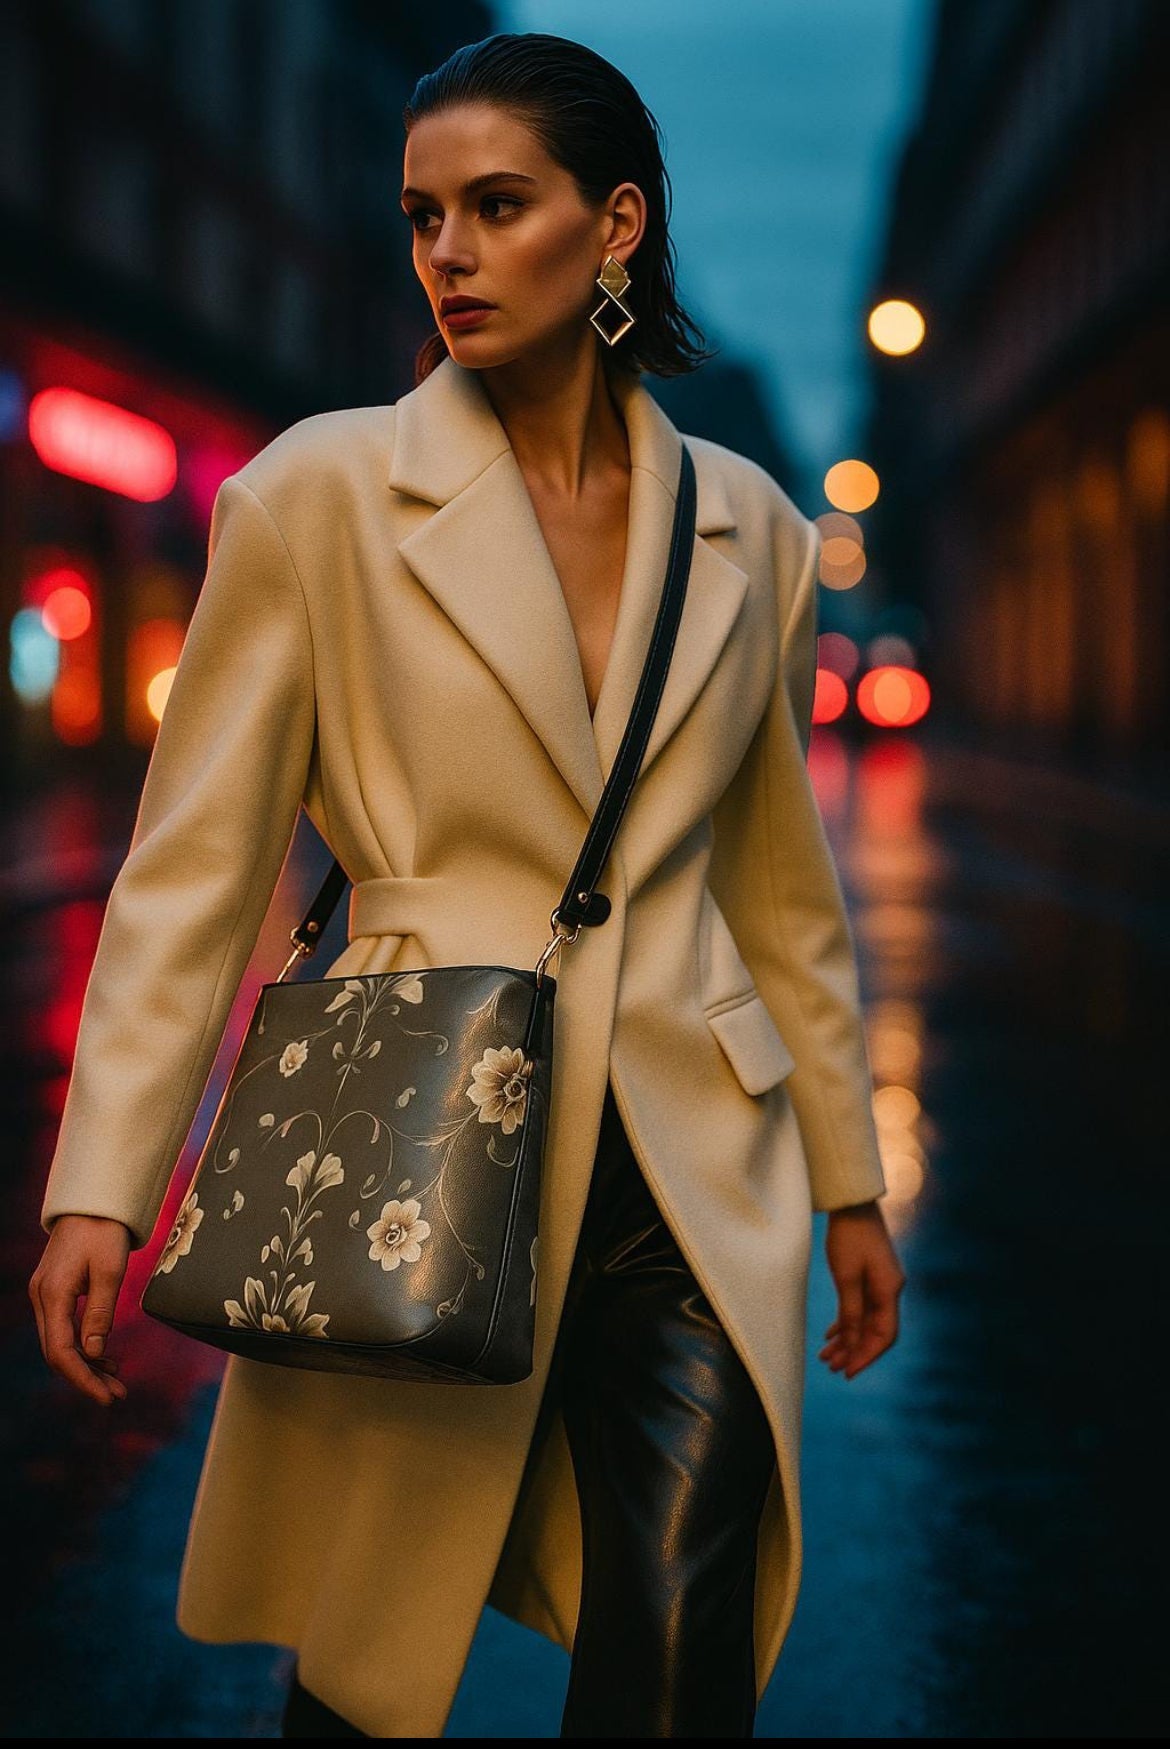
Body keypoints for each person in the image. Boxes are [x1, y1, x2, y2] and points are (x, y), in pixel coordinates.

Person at [29, 31, 905, 1742]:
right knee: (370, 1659)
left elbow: (778, 887)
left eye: (499, 206)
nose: (447, 251)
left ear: (618, 228)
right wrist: (101, 1183)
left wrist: (844, 1179)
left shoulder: (755, 533)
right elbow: (192, 870)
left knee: (680, 1628)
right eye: (425, 211)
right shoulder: (313, 498)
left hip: (685, 1153)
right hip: (418, 1128)